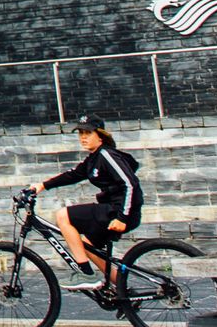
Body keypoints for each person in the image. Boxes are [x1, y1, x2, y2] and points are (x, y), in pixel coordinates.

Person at [29, 115, 142, 291]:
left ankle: (86, 273)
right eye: (81, 133)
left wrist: (122, 218)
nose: (83, 137)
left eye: (88, 133)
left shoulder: (106, 154)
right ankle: (124, 291)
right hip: (113, 211)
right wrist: (42, 186)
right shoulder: (93, 158)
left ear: (100, 135)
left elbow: (130, 184)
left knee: (63, 215)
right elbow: (73, 174)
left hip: (118, 212)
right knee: (87, 246)